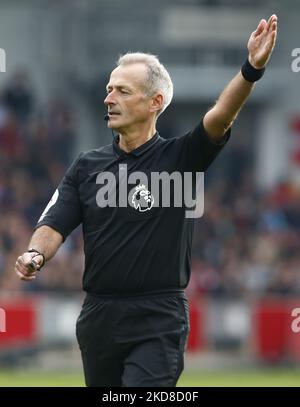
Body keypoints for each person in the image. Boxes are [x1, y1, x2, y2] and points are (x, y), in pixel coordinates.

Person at [15, 15, 277, 387]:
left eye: (122, 90)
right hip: (98, 318)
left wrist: (251, 69)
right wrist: (35, 254)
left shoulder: (182, 158)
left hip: (159, 317)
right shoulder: (86, 166)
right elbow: (54, 222)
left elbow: (221, 116)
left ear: (155, 102)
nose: (108, 98)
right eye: (108, 89)